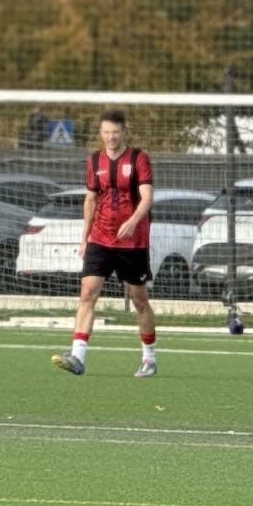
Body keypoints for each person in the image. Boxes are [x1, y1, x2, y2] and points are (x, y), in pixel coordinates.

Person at [53, 110, 158, 378]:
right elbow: (90, 201)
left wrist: (134, 221)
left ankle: (149, 357)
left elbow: (147, 197)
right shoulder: (94, 161)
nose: (111, 137)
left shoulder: (138, 159)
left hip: (132, 241)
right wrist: (84, 238)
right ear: (101, 133)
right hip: (101, 237)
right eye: (106, 132)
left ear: (124, 132)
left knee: (139, 300)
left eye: (115, 132)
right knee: (88, 292)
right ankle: (77, 356)